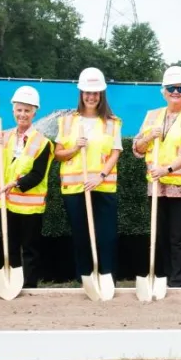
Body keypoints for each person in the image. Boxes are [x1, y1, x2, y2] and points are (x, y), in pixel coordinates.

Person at [133, 66, 181, 287]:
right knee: (159, 236)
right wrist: (147, 139)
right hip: (156, 187)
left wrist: (168, 169)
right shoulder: (152, 116)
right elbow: (137, 148)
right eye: (171, 88)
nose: (176, 92)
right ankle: (160, 278)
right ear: (164, 91)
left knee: (179, 239)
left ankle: (178, 282)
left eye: (180, 88)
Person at [55, 68, 121, 284]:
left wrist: (101, 176)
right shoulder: (66, 122)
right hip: (75, 188)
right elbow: (58, 154)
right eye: (87, 92)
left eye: (95, 93)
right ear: (81, 93)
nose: (91, 97)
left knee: (107, 235)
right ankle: (84, 277)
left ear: (101, 95)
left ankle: (106, 276)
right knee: (81, 235)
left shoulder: (113, 122)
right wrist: (74, 148)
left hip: (102, 186)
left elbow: (115, 152)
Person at [0, 86, 53, 287]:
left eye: (27, 110)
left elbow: (37, 175)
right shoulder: (5, 136)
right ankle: (12, 283)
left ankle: (29, 285)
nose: (22, 114)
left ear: (35, 112)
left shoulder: (43, 142)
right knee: (9, 246)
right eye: (19, 110)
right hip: (7, 203)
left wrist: (15, 183)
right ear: (13, 111)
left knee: (30, 248)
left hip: (30, 205)